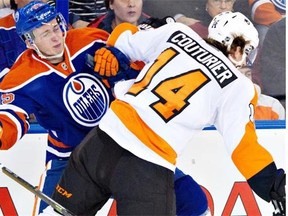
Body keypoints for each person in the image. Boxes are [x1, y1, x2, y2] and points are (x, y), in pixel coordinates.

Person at [49, 11, 286, 215]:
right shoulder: (238, 86)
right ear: (238, 49)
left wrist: (129, 42)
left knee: (59, 212)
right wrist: (273, 186)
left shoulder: (177, 32)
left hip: (100, 142)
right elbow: (243, 147)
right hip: (146, 168)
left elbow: (121, 38)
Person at [0, 1, 209, 215]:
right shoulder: (20, 79)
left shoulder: (89, 39)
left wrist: (124, 64)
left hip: (122, 142)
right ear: (29, 41)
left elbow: (141, 66)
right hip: (70, 157)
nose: (55, 36)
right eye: (45, 33)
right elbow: (10, 120)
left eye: (56, 27)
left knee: (192, 200)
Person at [90, 1, 209, 215]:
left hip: (144, 140)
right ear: (110, 3)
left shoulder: (160, 27)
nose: (131, 3)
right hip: (110, 139)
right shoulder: (92, 36)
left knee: (192, 200)